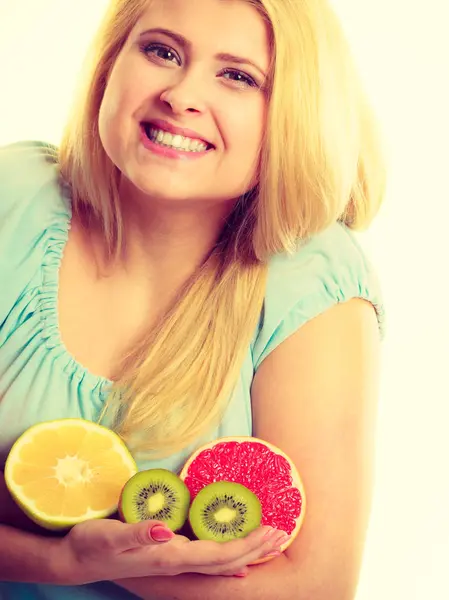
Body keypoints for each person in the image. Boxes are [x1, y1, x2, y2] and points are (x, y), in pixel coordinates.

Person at [0, 0, 387, 598]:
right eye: (162, 52)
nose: (180, 94)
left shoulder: (311, 279)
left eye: (237, 76)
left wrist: (108, 563)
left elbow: (315, 586)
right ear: (110, 64)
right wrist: (58, 562)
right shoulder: (15, 197)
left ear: (293, 113)